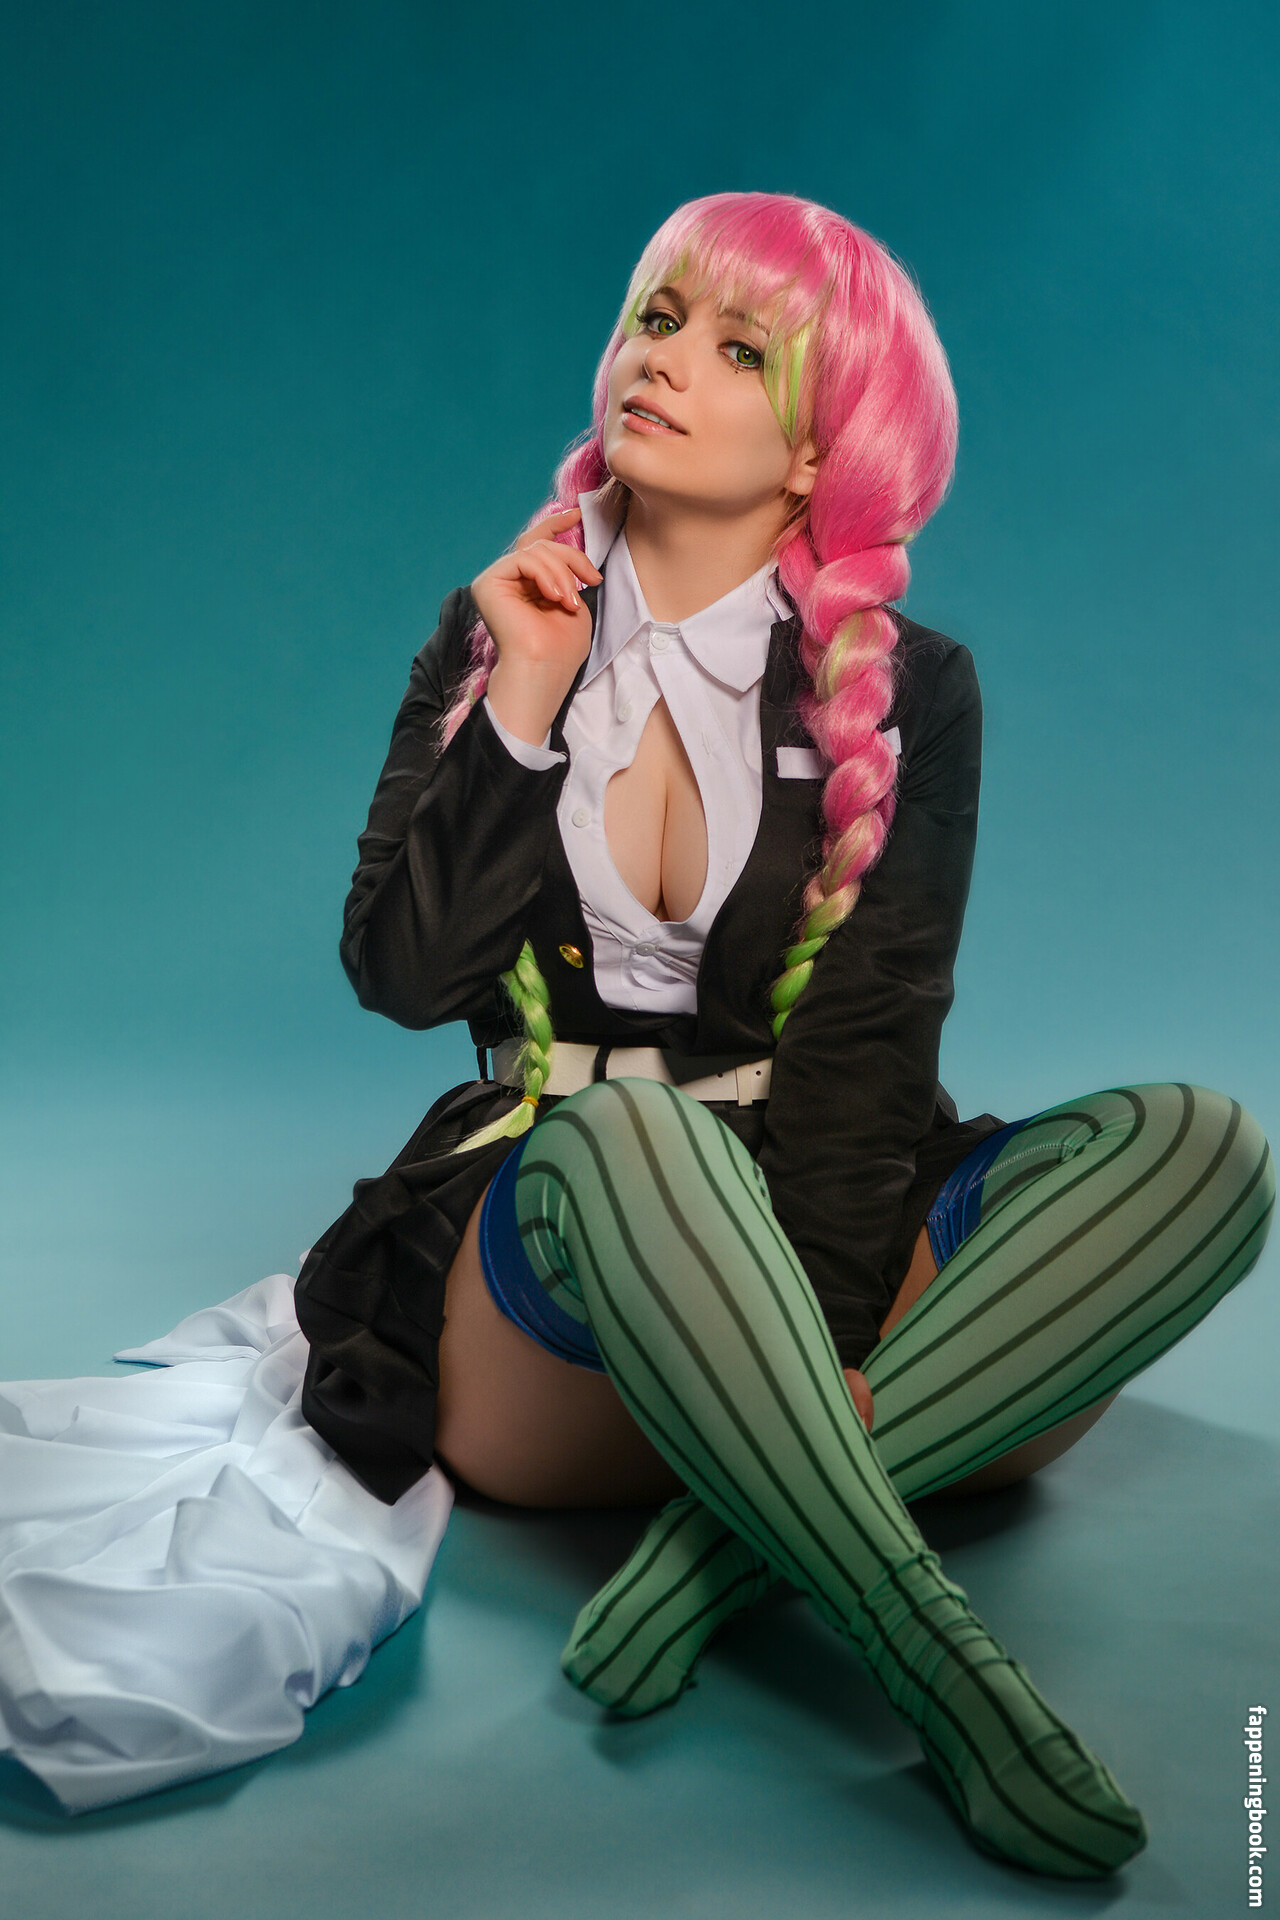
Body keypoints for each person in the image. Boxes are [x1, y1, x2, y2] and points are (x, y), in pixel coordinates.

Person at [292, 190, 1274, 1878]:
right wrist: (519, 699)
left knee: (1203, 1145)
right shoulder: (493, 630)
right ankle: (935, 1658)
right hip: (558, 1256)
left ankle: (721, 1554)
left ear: (824, 450)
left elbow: (876, 1041)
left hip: (823, 1221)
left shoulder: (913, 686)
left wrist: (801, 1358)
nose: (664, 360)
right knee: (634, 1130)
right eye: (656, 318)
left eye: (740, 348)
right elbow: (398, 972)